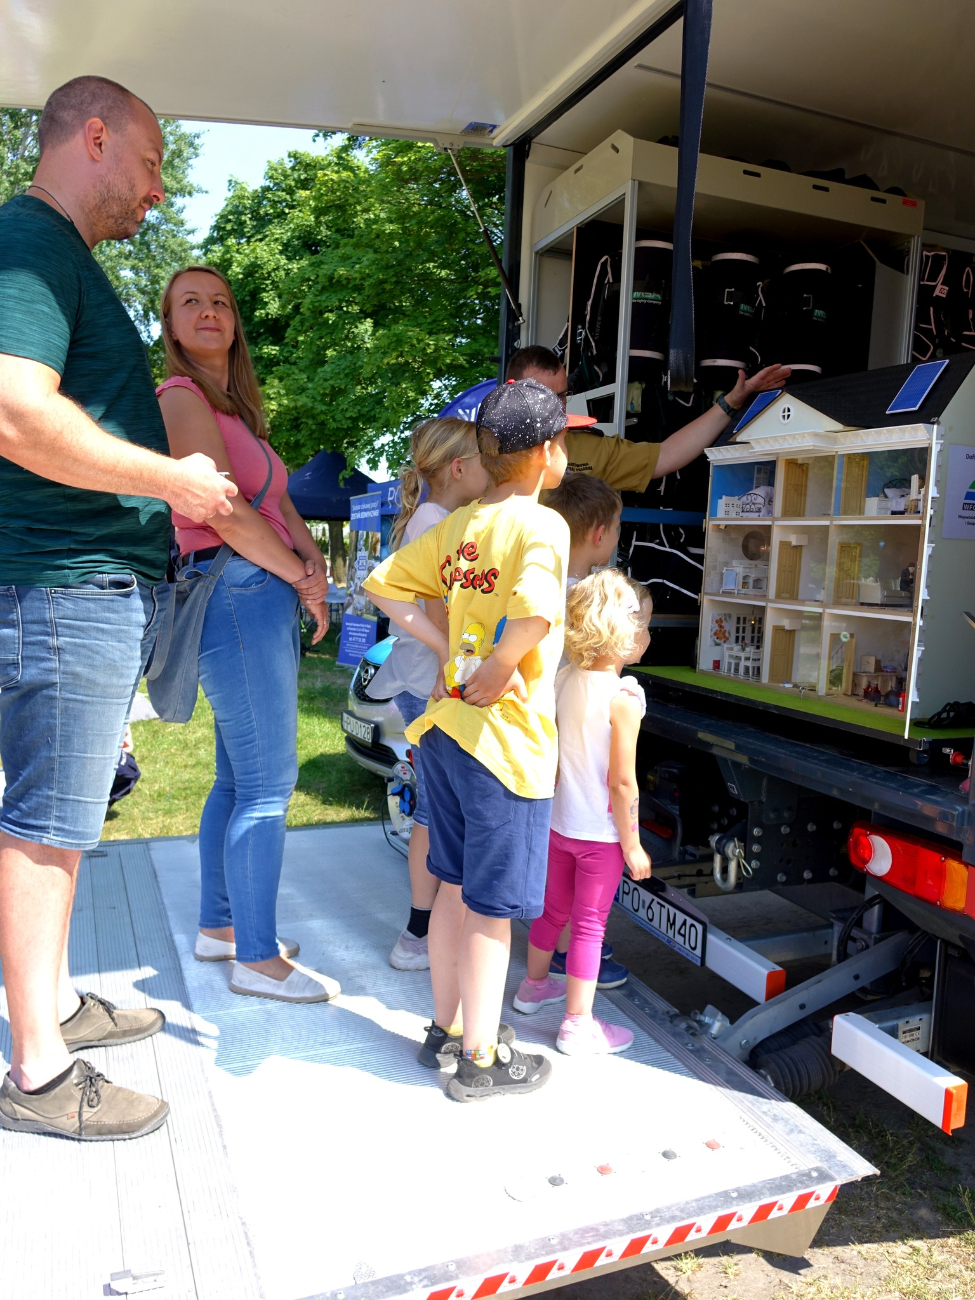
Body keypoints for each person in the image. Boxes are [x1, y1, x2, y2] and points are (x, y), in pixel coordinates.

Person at [0, 76, 236, 1143]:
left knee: (64, 821)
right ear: (94, 137)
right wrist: (170, 481)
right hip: (61, 585)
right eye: (148, 168)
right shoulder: (33, 240)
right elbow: (14, 411)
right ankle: (39, 1073)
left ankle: (50, 1007)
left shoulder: (58, 253)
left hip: (73, 587)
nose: (153, 196)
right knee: (47, 827)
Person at [365, 379, 580, 1101]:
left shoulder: (463, 524)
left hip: (448, 735)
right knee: (492, 908)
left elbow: (382, 585)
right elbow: (534, 615)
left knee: (454, 892)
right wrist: (493, 665)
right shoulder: (541, 525)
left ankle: (445, 1030)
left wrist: (445, 642)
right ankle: (482, 1060)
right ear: (547, 454)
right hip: (504, 744)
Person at [157, 265, 339, 1004]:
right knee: (268, 784)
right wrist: (297, 575)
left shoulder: (239, 411)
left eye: (221, 302)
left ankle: (221, 929)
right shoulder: (180, 395)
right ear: (169, 325)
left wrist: (315, 565)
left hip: (258, 586)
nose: (209, 312)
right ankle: (257, 961)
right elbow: (224, 509)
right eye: (190, 303)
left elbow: (279, 504)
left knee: (238, 779)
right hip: (235, 587)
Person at [366, 418, 491, 972]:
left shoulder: (437, 516)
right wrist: (449, 657)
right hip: (430, 684)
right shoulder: (436, 522)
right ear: (460, 468)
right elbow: (434, 603)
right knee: (437, 814)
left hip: (427, 681)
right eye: (487, 458)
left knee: (434, 812)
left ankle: (426, 928)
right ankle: (421, 933)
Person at [514, 570, 654, 1054]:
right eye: (644, 623)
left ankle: (533, 989)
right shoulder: (625, 698)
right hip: (600, 835)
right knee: (590, 925)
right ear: (624, 632)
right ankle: (577, 1024)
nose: (649, 633)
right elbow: (621, 781)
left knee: (552, 911)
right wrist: (632, 843)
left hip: (558, 825)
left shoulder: (564, 679)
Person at [543, 473, 633, 990]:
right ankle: (569, 953)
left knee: (557, 858)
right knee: (584, 854)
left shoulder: (543, 578)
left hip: (549, 733)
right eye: (619, 526)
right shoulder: (587, 600)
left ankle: (552, 947)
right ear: (600, 533)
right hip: (569, 735)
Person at [505, 345, 790, 492]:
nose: (556, 407)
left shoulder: (588, 448)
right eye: (542, 395)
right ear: (511, 390)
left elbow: (665, 455)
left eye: (562, 396)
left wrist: (730, 403)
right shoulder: (481, 448)